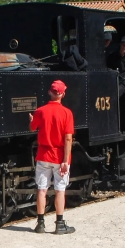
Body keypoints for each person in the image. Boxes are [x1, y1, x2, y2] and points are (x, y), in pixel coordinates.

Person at [29, 79, 76, 235]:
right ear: (63, 94)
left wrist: (32, 120)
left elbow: (32, 127)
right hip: (59, 157)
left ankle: (40, 224)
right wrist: (65, 161)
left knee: (41, 190)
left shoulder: (40, 111)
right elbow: (68, 138)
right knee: (59, 191)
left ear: (50, 92)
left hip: (43, 155)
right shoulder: (67, 113)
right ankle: (60, 225)